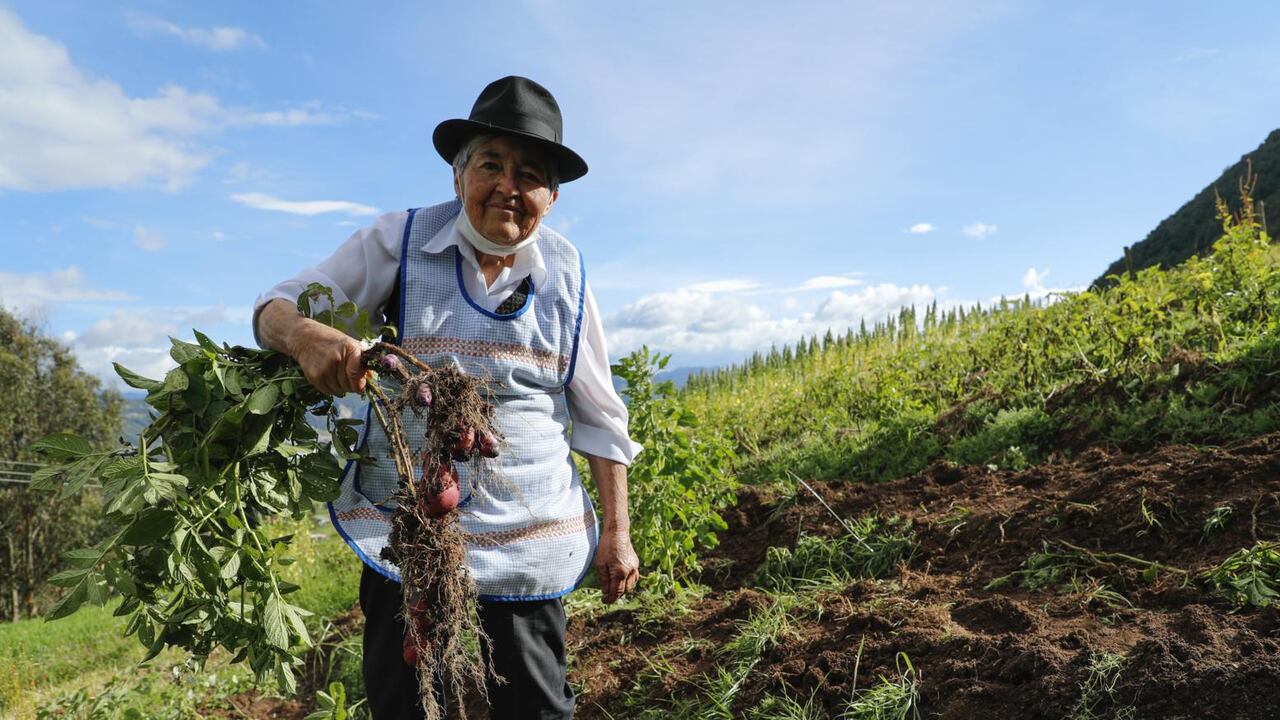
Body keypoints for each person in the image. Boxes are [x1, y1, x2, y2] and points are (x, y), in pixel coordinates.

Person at [253, 76, 641, 719]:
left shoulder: (568, 274)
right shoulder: (397, 243)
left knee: (537, 709)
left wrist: (619, 535)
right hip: (409, 532)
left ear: (552, 195)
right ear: (459, 174)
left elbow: (601, 417)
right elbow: (273, 304)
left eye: (530, 173)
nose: (508, 186)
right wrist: (303, 336)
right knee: (405, 703)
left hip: (530, 538)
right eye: (491, 163)